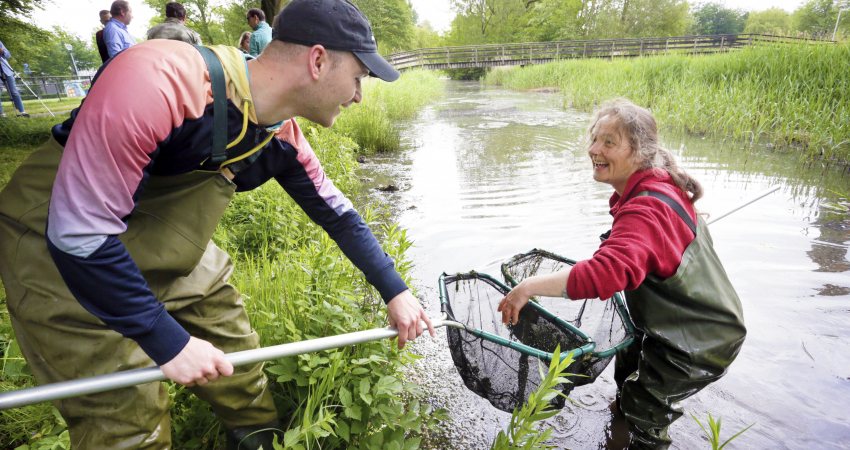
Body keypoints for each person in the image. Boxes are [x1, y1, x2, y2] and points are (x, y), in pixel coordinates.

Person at [0, 0, 432, 449]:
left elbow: (339, 215)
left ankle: (258, 439)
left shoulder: (280, 136)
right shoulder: (159, 80)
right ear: (318, 61)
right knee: (126, 420)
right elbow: (79, 233)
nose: (359, 94)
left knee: (238, 360)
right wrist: (167, 341)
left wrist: (395, 290)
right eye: (359, 77)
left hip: (158, 240)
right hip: (58, 241)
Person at [497, 98, 746, 449]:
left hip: (700, 339)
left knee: (646, 408)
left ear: (640, 152)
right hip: (671, 324)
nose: (594, 150)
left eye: (609, 143)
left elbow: (606, 274)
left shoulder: (647, 206)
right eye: (594, 139)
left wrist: (528, 287)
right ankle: (620, 423)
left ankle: (643, 434)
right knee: (628, 362)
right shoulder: (654, 186)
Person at [0, 40, 29, 118]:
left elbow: (8, 55)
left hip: (6, 69)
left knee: (14, 92)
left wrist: (2, 52)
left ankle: (22, 111)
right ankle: (1, 114)